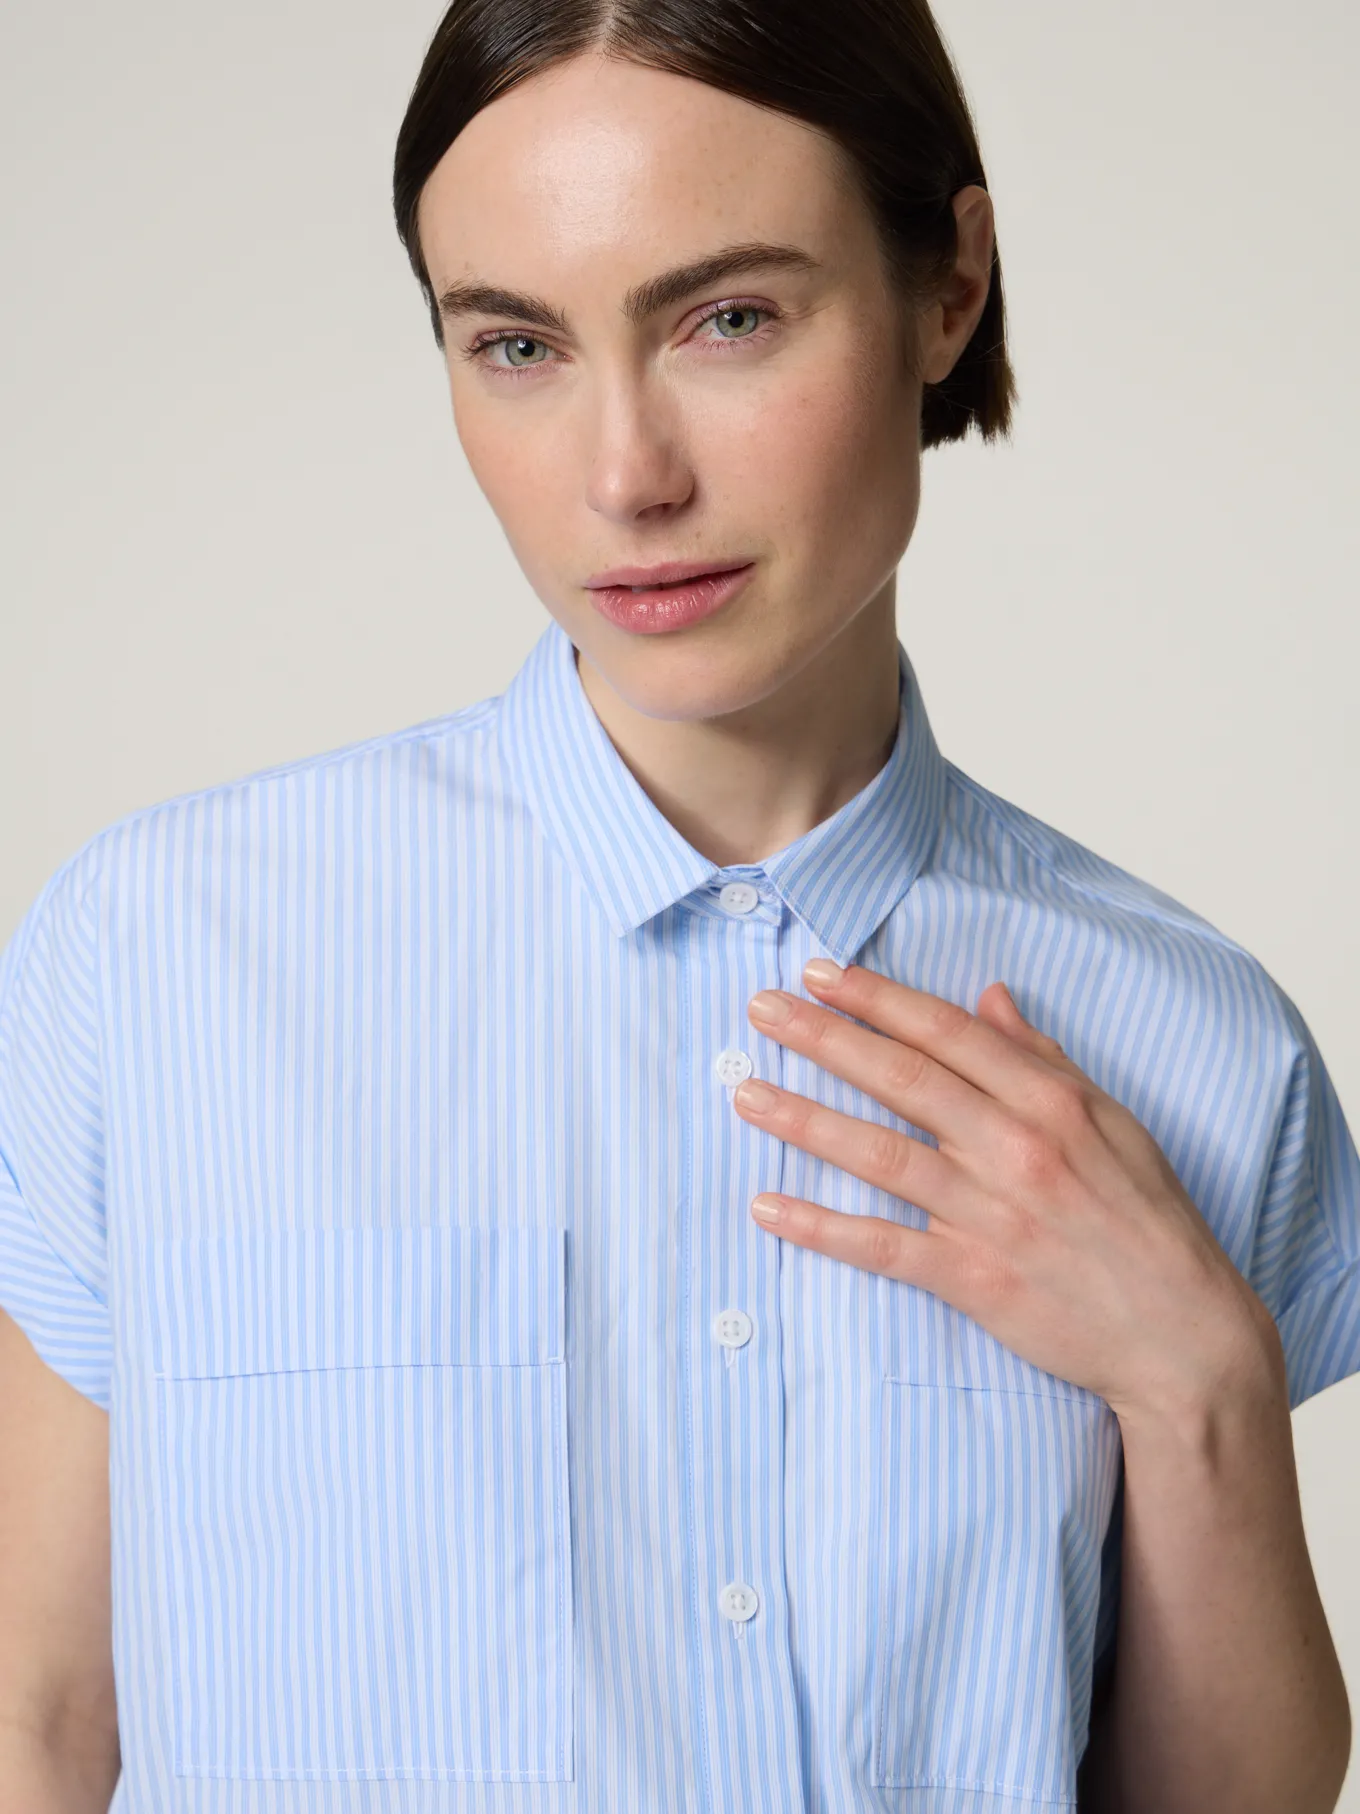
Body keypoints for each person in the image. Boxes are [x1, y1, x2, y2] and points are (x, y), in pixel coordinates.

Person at [1, 2, 1356, 1810]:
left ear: (949, 288)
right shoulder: (159, 957)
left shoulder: (1193, 1037)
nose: (625, 475)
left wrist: (1199, 1384)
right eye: (518, 345)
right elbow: (39, 1721)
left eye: (730, 319)